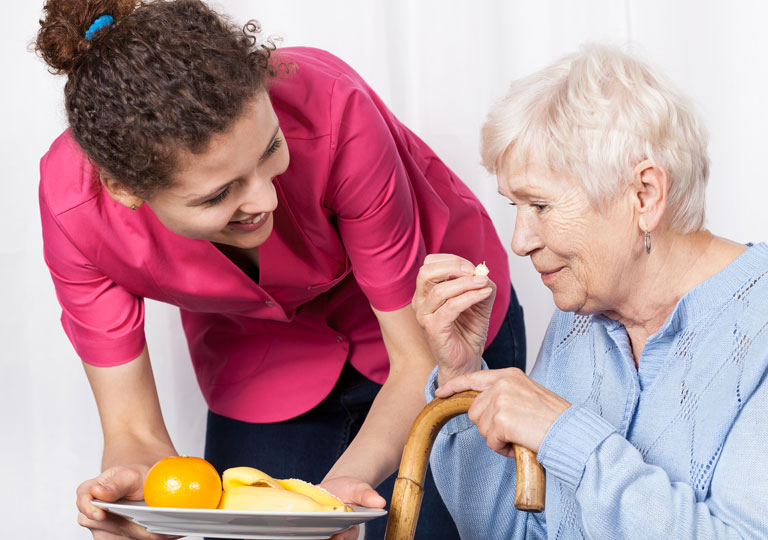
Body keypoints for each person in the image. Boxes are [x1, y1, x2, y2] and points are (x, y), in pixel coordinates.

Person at [34, 1, 527, 539]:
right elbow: (132, 428)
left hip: (429, 332)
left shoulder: (333, 106)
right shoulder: (73, 209)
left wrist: (335, 496)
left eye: (271, 147)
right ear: (125, 189)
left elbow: (417, 362)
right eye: (220, 193)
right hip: (263, 358)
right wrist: (143, 491)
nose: (266, 200)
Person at [413, 43, 768, 539]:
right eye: (516, 206)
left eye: (539, 206)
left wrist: (565, 434)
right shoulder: (580, 318)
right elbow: (509, 532)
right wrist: (462, 372)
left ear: (644, 195)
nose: (519, 242)